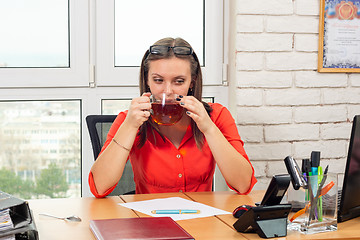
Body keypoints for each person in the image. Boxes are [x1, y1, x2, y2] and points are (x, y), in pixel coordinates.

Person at [89, 37, 257, 197]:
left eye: (178, 81)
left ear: (192, 82)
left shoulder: (216, 116)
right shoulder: (129, 120)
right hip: (149, 221)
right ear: (147, 80)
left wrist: (209, 128)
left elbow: (243, 184)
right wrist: (129, 127)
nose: (168, 91)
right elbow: (99, 187)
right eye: (158, 80)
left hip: (200, 221)